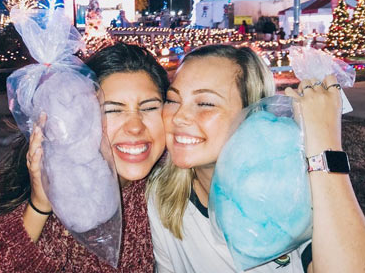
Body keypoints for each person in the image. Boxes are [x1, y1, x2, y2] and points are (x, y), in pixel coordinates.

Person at [0, 43, 169, 272]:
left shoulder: (170, 185)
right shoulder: (67, 211)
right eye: (112, 110)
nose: (135, 127)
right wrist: (39, 207)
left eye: (149, 107)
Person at [147, 44, 365, 272]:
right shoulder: (161, 199)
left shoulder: (296, 192)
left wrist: (324, 139)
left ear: (252, 114)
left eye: (205, 103)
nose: (179, 117)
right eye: (172, 100)